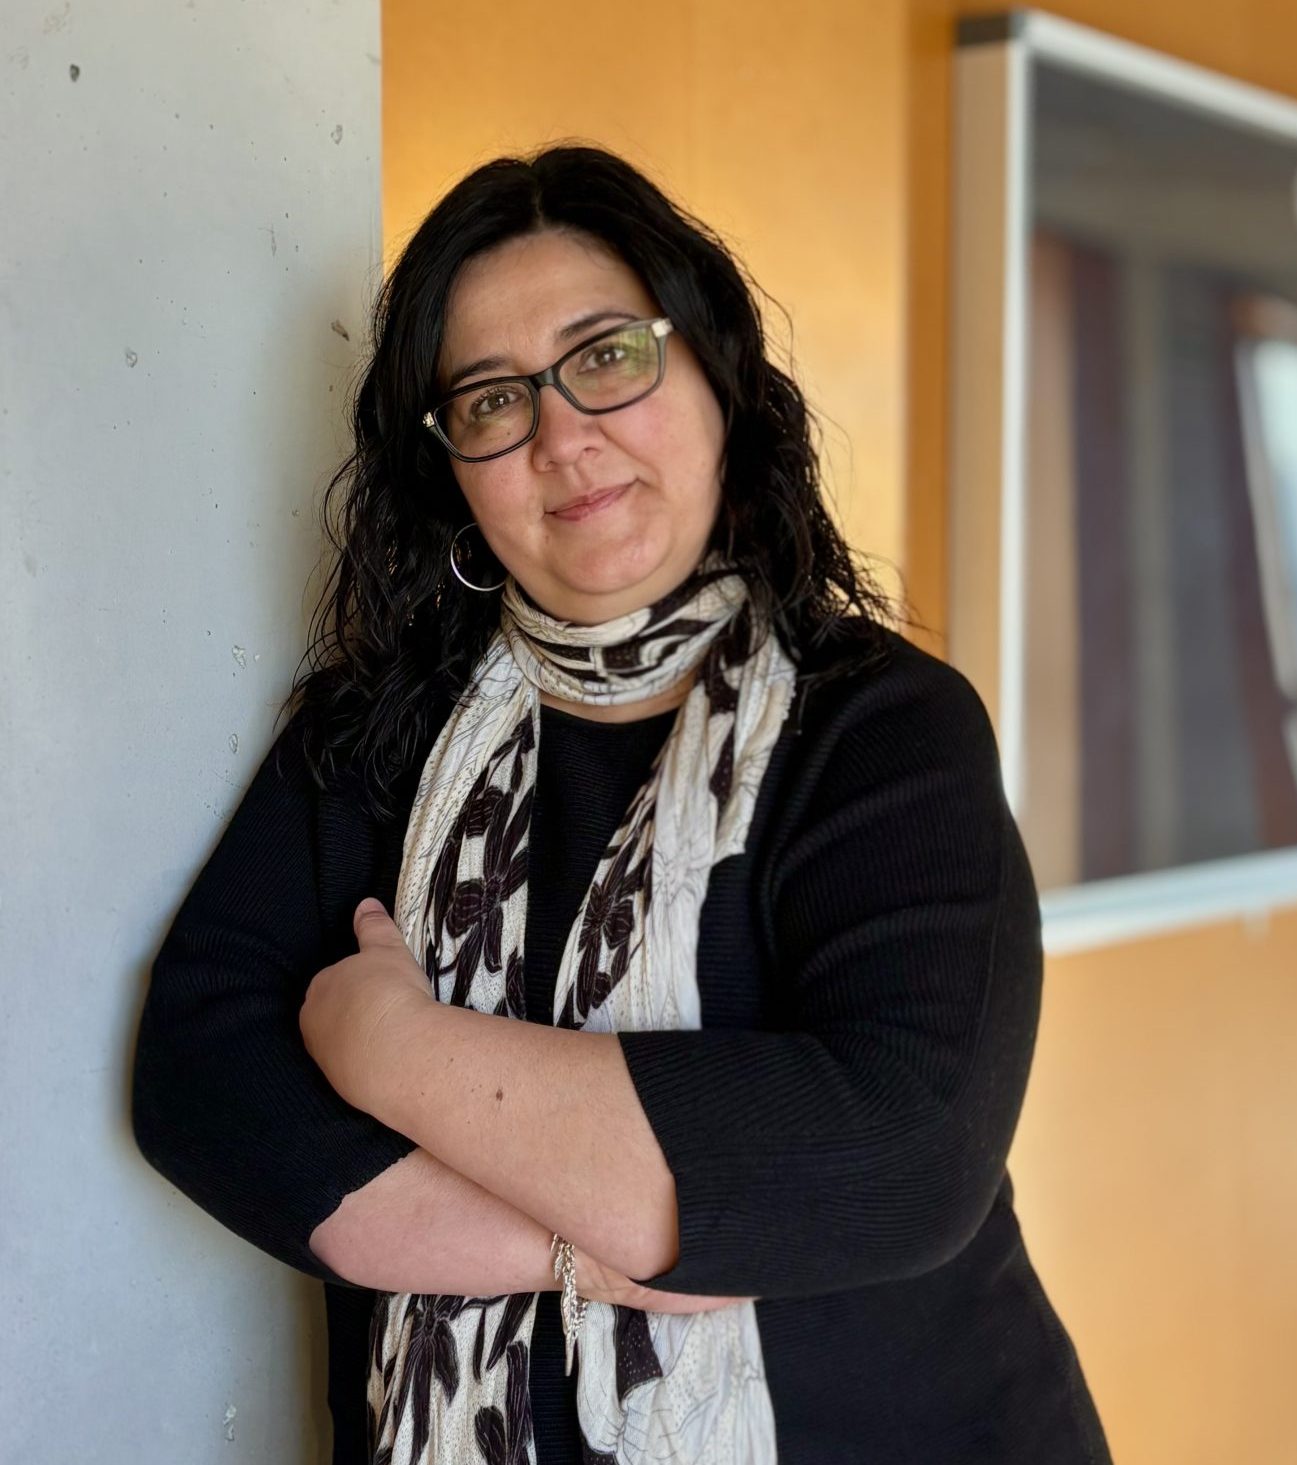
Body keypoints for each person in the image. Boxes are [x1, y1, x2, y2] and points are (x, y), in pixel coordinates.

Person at [132, 144, 1113, 1464]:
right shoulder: (375, 735)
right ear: (450, 470)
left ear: (715, 374)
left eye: (606, 357)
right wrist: (566, 1248)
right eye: (492, 398)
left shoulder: (879, 728)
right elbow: (197, 1070)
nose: (562, 436)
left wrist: (394, 1053)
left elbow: (899, 1153)